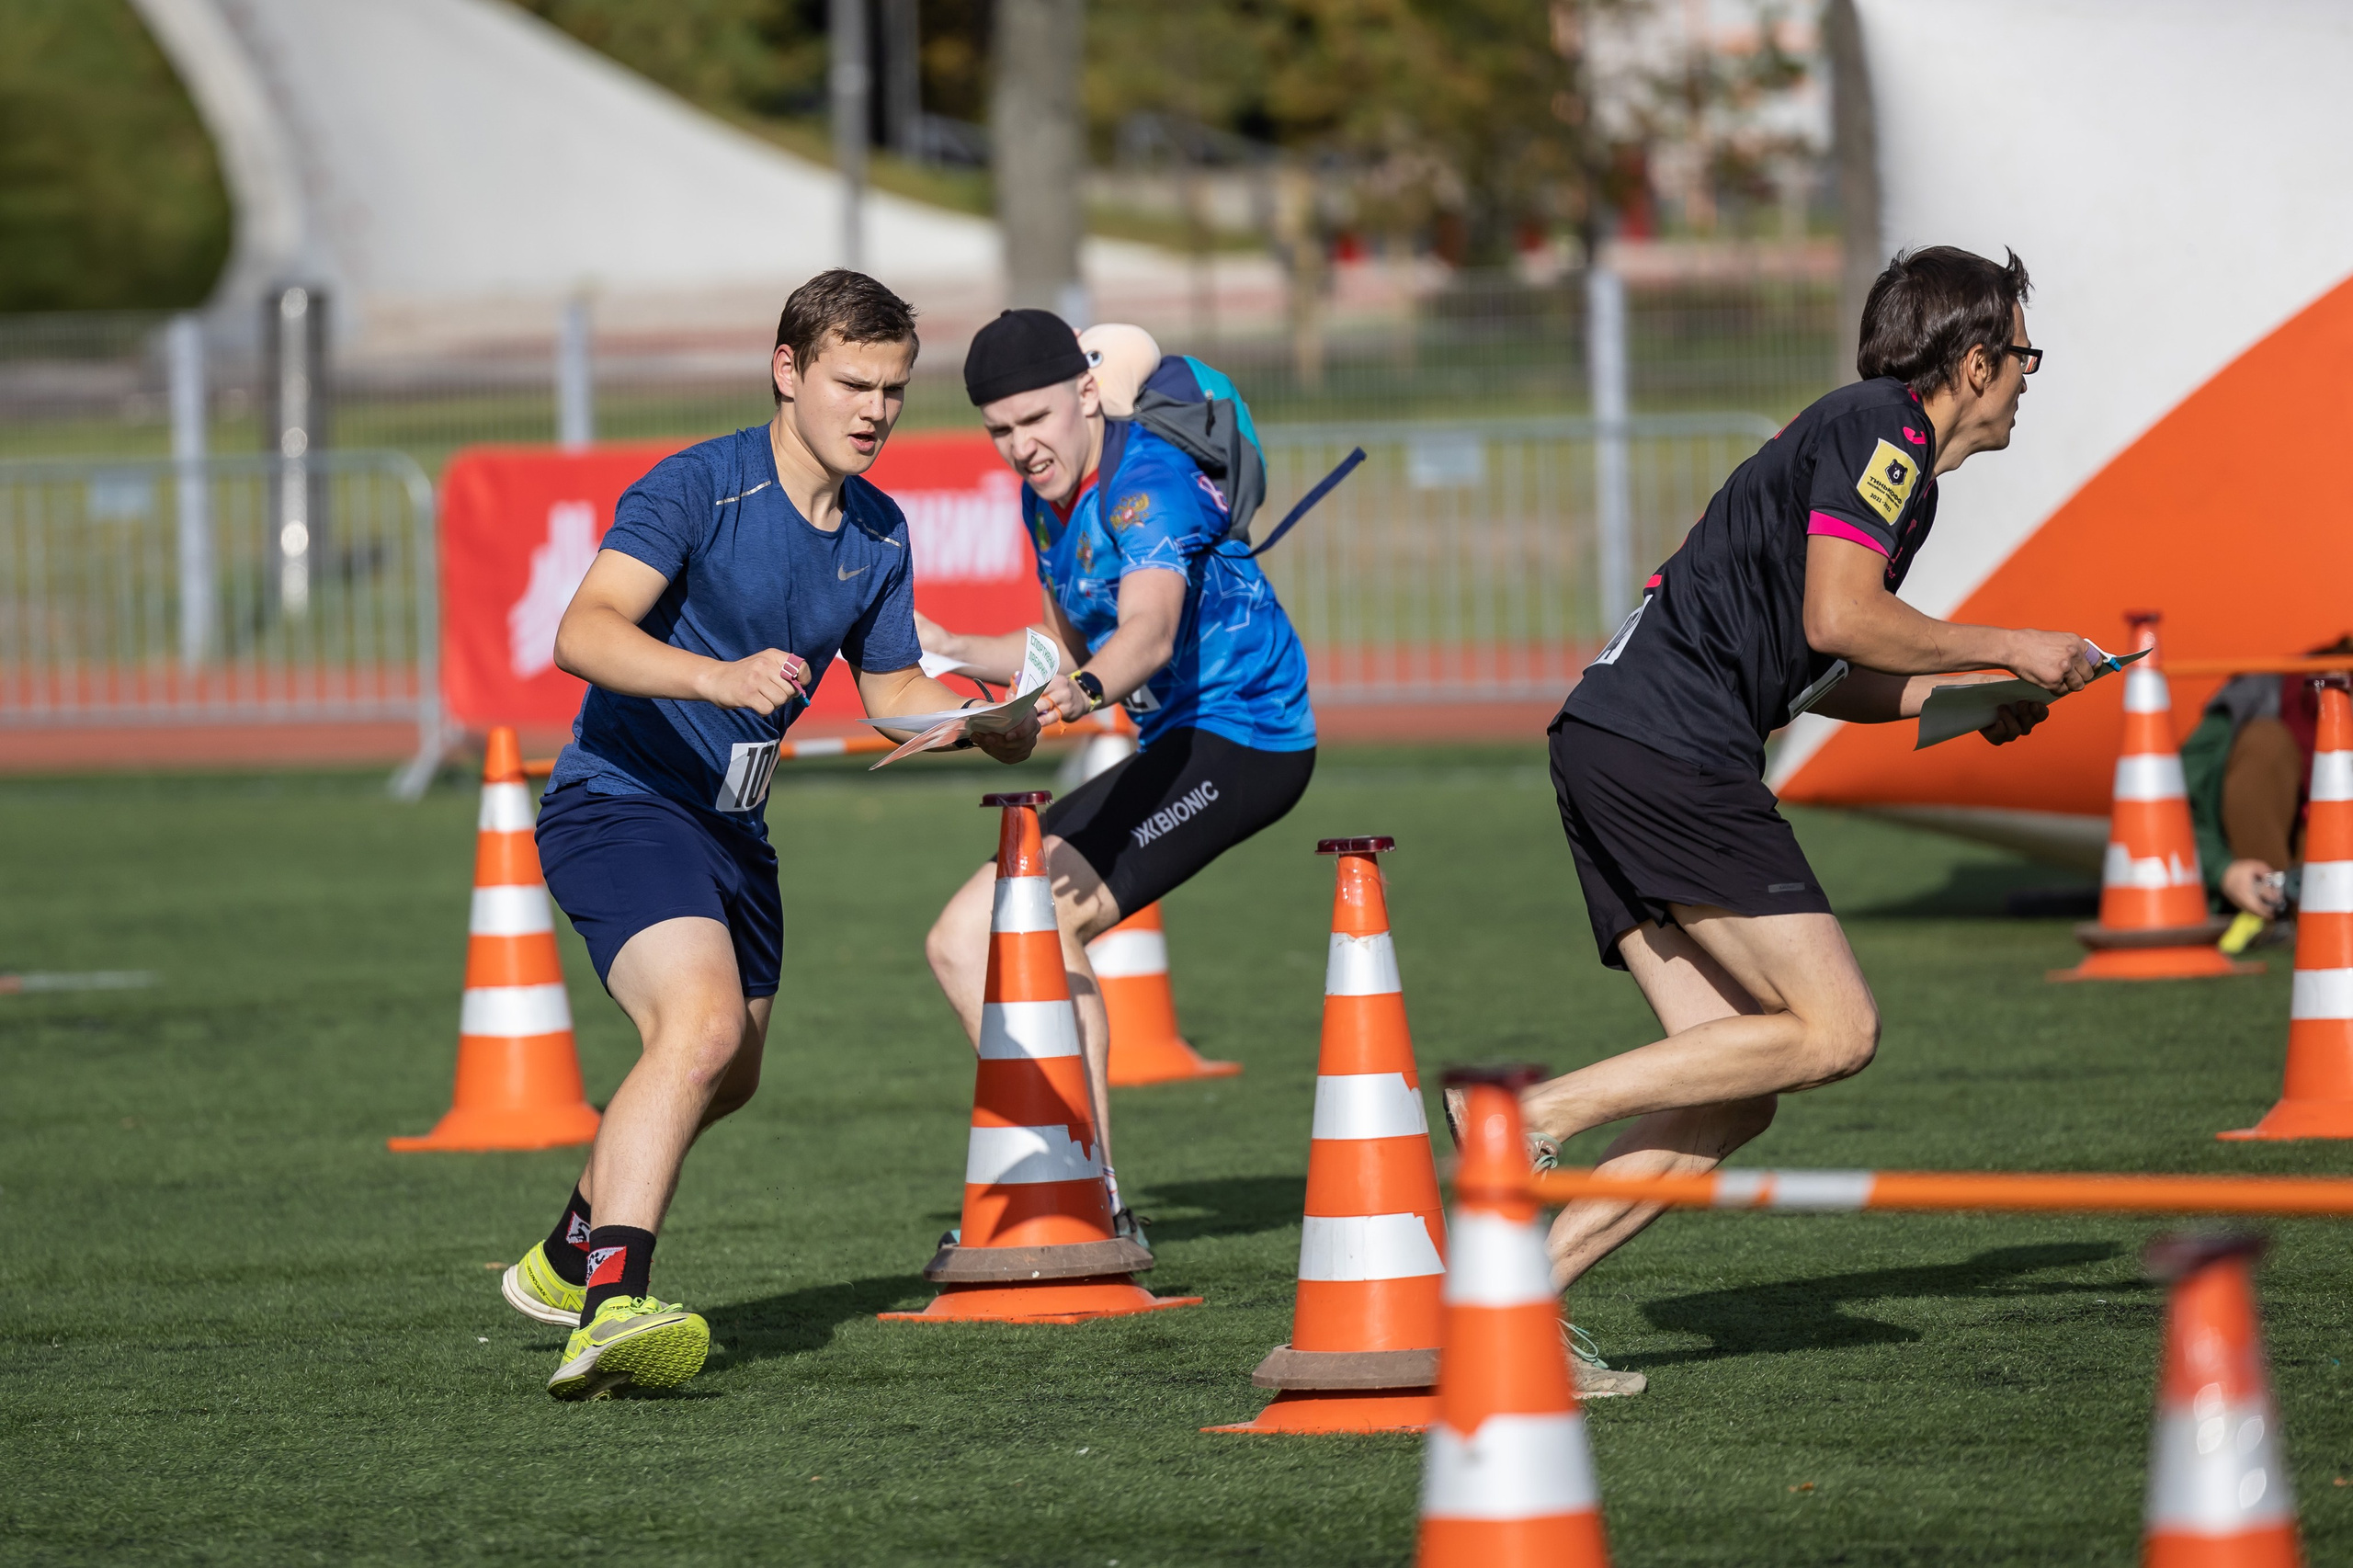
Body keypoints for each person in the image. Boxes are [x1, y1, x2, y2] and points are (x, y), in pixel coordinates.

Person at [1479, 246, 2094, 1397]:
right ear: (1972, 361)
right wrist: (2010, 642)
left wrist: (1969, 699)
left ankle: (1511, 1311)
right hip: (1668, 747)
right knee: (1838, 1028)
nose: (2025, 379)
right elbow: (1843, 612)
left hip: (1620, 740)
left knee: (1731, 1088)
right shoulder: (1886, 430)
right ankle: (1527, 1112)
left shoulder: (1883, 451)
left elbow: (1826, 666)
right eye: (2021, 356)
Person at [497, 271, 1040, 1401]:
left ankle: (562, 1253)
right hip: (622, 802)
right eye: (851, 383)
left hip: (736, 832)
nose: (874, 411)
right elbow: (582, 631)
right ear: (787, 371)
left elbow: (888, 689)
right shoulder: (699, 487)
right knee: (693, 1027)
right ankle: (612, 1304)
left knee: (725, 1073)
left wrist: (973, 719)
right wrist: (714, 674)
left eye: (892, 390)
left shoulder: (881, 529)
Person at [918, 310, 1317, 1233]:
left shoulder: (1149, 485)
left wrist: (1062, 700)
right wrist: (953, 656)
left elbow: (1146, 634)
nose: (1021, 447)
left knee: (1036, 920)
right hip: (1173, 738)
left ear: (1087, 395)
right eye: (1000, 430)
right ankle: (1066, 1170)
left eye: (1037, 419)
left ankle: (1084, 1194)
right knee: (959, 936)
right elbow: (1065, 656)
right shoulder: (1041, 496)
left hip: (1242, 740)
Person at [2184, 636, 2353, 932]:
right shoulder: (2254, 696)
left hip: (2330, 877)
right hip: (2248, 873)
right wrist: (2223, 871)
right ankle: (2273, 909)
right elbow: (2168, 807)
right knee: (2266, 744)